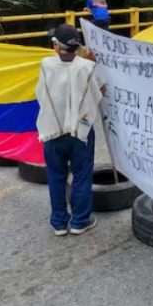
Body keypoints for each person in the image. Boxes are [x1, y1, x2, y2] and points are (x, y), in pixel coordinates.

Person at [36, 23, 104, 236]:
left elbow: (40, 93)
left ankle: (59, 223)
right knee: (82, 176)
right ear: (78, 47)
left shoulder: (46, 64)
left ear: (56, 46)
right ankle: (80, 222)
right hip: (80, 131)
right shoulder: (87, 66)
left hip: (52, 130)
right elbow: (100, 90)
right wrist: (91, 60)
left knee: (56, 176)